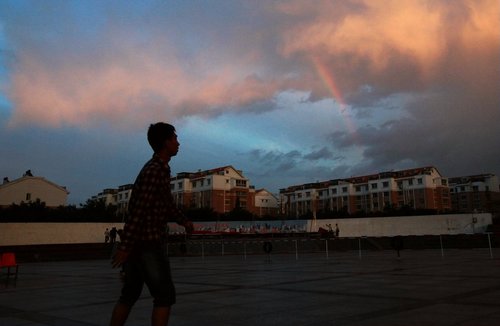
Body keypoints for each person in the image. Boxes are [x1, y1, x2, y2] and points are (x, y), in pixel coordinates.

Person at [109, 122, 194, 326]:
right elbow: (139, 210)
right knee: (164, 296)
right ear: (165, 142)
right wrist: (125, 246)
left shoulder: (160, 169)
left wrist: (185, 221)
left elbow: (166, 204)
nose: (178, 143)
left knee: (129, 294)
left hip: (139, 245)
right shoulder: (154, 170)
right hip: (147, 244)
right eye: (174, 138)